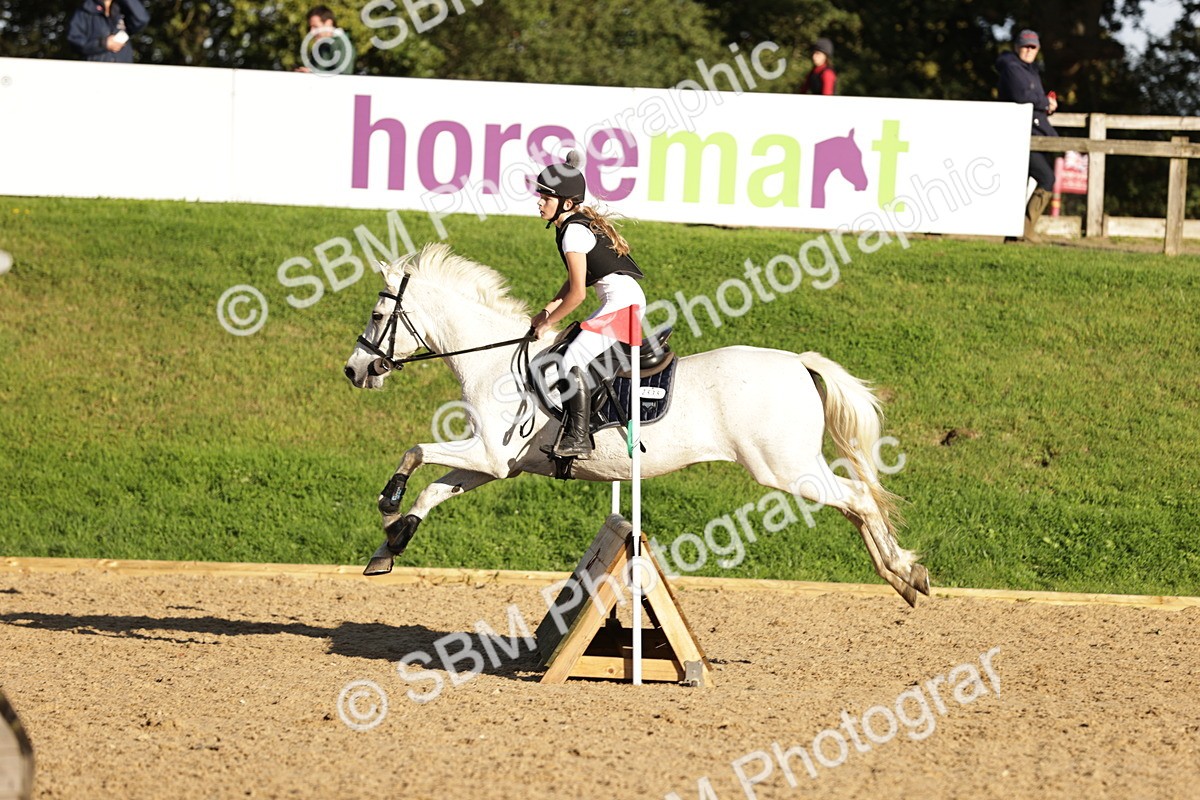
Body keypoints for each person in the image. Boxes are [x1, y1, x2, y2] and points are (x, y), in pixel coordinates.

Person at [530, 152, 646, 460]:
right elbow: (572, 282)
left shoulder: (573, 233)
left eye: (546, 197)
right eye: (540, 196)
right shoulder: (571, 226)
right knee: (576, 352)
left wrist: (546, 323)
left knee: (572, 359)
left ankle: (578, 438)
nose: (539, 202)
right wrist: (546, 309)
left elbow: (578, 294)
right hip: (622, 299)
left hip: (622, 303)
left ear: (566, 203)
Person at [996, 28, 1059, 242]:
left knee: (1023, 182)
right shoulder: (1012, 68)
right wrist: (1044, 102)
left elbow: (1031, 98)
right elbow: (1022, 96)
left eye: (1033, 46)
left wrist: (1044, 104)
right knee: (1046, 177)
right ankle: (1024, 231)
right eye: (1025, 45)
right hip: (1019, 135)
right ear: (1017, 47)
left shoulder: (1030, 70)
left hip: (1031, 133)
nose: (1029, 50)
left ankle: (1017, 233)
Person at [66, 0, 150, 63]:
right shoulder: (84, 11)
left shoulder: (123, 10)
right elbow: (75, 41)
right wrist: (103, 44)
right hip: (96, 72)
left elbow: (142, 19)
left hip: (124, 71)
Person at [298, 6, 356, 75]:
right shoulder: (321, 46)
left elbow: (344, 77)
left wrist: (312, 73)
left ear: (328, 23)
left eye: (315, 27)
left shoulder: (342, 45)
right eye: (310, 27)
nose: (312, 31)